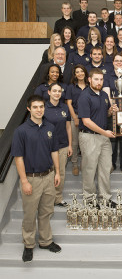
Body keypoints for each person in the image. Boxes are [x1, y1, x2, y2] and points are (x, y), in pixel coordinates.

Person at [11, 95, 61, 263]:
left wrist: (58, 173)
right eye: (35, 107)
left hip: (48, 176)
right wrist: (24, 181)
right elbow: (18, 158)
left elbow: (54, 151)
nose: (39, 110)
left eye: (41, 107)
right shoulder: (21, 131)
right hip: (31, 178)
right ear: (29, 109)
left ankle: (46, 241)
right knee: (30, 214)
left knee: (47, 212)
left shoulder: (50, 127)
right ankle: (28, 245)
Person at [77, 68, 117, 207]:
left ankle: (105, 198)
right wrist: (105, 132)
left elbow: (102, 115)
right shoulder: (84, 96)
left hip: (103, 137)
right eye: (96, 79)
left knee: (105, 168)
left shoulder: (104, 95)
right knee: (89, 169)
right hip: (89, 137)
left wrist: (110, 111)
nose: (99, 82)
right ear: (89, 79)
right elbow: (87, 121)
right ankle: (90, 200)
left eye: (101, 80)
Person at [44, 83, 72, 207]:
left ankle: (58, 198)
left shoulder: (65, 108)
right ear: (49, 92)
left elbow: (68, 127)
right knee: (48, 173)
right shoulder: (42, 107)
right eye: (54, 91)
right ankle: (47, 199)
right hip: (46, 147)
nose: (57, 93)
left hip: (62, 145)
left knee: (60, 173)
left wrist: (70, 145)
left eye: (59, 91)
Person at [66, 64, 88, 176]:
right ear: (75, 75)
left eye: (82, 71)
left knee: (86, 142)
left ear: (85, 72)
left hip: (88, 118)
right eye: (77, 72)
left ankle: (84, 164)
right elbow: (69, 103)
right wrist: (75, 117)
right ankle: (75, 164)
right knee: (74, 142)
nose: (80, 73)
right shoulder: (71, 87)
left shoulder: (90, 86)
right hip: (75, 116)